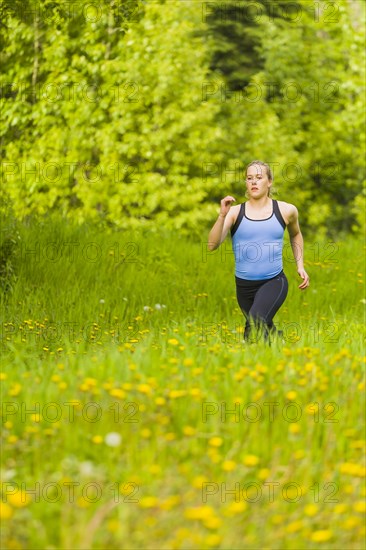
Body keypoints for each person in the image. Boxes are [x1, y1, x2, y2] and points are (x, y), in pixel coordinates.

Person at [208, 160, 310, 344]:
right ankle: (278, 346)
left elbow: (296, 235)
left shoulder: (286, 210)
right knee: (257, 334)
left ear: (269, 181)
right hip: (244, 287)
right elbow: (212, 245)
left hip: (274, 281)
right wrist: (222, 215)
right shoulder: (235, 213)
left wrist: (300, 265)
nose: (253, 182)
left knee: (256, 321)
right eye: (249, 178)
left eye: (259, 177)